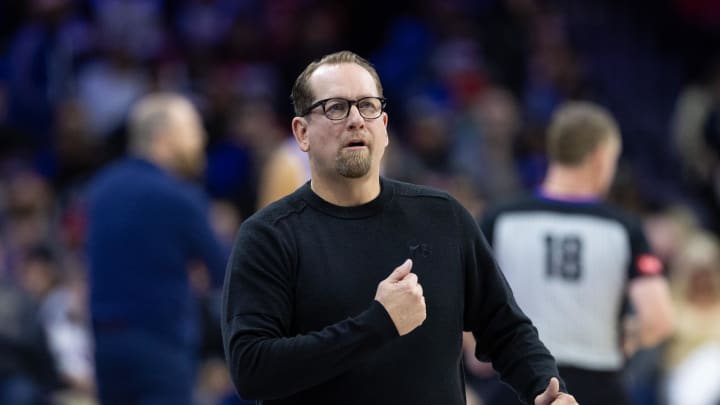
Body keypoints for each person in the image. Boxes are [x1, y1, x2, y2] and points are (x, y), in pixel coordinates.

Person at [221, 50, 577, 405]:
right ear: (302, 133)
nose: (356, 119)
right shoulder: (269, 236)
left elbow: (506, 329)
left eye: (368, 106)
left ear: (385, 127)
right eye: (336, 108)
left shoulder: (443, 217)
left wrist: (547, 389)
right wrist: (377, 325)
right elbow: (252, 370)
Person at [481, 101, 675, 405]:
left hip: (517, 381)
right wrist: (627, 339)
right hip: (596, 382)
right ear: (601, 156)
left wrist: (478, 352)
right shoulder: (622, 228)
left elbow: (466, 298)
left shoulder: (502, 218)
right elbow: (658, 318)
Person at [86, 93, 227, 404]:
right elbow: (226, 272)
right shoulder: (180, 197)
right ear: (165, 137)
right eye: (193, 129)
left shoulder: (100, 189)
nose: (201, 139)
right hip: (161, 346)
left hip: (105, 347)